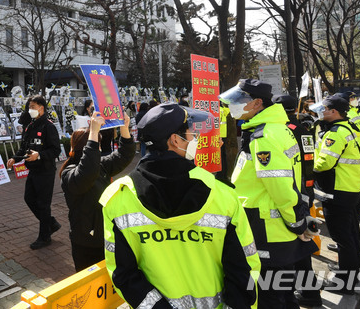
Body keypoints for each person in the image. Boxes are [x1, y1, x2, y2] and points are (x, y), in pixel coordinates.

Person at [100, 103, 260, 308]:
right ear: (175, 140)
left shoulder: (117, 199)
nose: (195, 140)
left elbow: (123, 275)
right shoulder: (222, 195)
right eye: (191, 134)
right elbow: (245, 267)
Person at [220, 79, 318, 308]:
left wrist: (297, 223)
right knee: (283, 295)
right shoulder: (273, 128)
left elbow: (281, 188)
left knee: (269, 298)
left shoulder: (264, 136)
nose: (232, 106)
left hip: (268, 230)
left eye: (238, 101)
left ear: (256, 103)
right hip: (274, 229)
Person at [60, 112, 134, 272]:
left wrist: (124, 128)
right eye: (96, 145)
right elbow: (86, 174)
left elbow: (124, 155)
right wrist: (93, 133)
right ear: (86, 148)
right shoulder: (69, 173)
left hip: (107, 235)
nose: (100, 149)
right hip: (86, 241)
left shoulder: (101, 165)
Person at [272, 94, 322, 307]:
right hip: (305, 191)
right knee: (303, 245)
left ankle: (306, 293)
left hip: (292, 194)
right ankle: (310, 292)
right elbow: (309, 163)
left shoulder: (283, 131)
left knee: (296, 247)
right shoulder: (304, 130)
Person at [312, 95, 360, 295]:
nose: (320, 112)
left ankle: (345, 282)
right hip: (349, 187)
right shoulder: (345, 127)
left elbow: (324, 163)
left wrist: (308, 168)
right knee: (350, 232)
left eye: (324, 109)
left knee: (342, 236)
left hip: (338, 190)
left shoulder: (335, 133)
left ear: (334, 112)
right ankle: (351, 268)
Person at [7, 95, 61, 249]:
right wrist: (14, 158)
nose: (30, 109)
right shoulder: (30, 125)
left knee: (44, 205)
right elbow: (24, 147)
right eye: (29, 106)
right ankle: (50, 223)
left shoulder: (48, 126)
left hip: (45, 171)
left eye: (33, 106)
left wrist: (40, 155)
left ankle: (44, 237)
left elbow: (56, 150)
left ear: (41, 108)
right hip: (33, 171)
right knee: (29, 199)